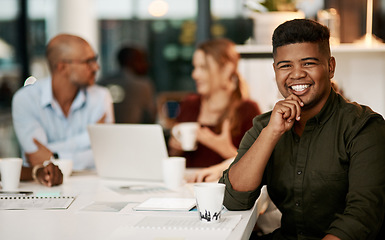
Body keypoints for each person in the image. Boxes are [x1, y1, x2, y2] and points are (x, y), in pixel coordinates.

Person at [219, 19, 385, 239]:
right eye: (285, 65)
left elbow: (363, 215)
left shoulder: (364, 127)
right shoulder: (265, 126)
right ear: (275, 70)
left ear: (331, 67)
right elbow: (232, 199)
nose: (296, 74)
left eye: (308, 63)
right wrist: (271, 133)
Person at [12, 34, 114, 174]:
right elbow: (36, 157)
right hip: (42, 188)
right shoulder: (25, 99)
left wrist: (54, 156)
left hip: (91, 184)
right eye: (88, 61)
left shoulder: (101, 96)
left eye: (94, 60)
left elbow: (105, 156)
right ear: (62, 67)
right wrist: (88, 138)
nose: (96, 67)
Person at [168, 38, 261, 182]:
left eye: (203, 67)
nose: (195, 74)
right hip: (187, 187)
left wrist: (223, 148)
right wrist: (175, 148)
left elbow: (256, 164)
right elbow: (176, 159)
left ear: (226, 70)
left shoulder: (247, 110)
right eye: (195, 67)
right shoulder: (189, 104)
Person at [98, 46, 156, 124]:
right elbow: (150, 118)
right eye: (142, 60)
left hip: (106, 133)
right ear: (130, 61)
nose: (146, 64)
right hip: (133, 133)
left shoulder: (102, 82)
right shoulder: (142, 85)